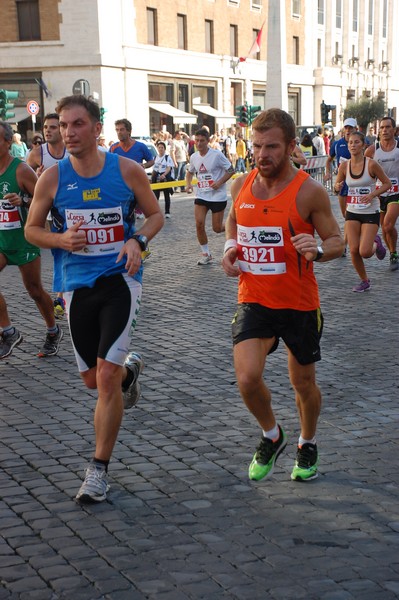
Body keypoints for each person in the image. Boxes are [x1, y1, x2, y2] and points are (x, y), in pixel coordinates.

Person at [25, 95, 164, 503]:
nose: (68, 132)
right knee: (93, 379)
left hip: (121, 280)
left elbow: (154, 215)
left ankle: (97, 470)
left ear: (96, 128)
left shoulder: (127, 171)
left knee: (104, 379)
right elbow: (33, 230)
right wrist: (59, 239)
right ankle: (128, 370)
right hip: (74, 284)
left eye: (77, 124)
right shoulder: (52, 179)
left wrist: (138, 240)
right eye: (63, 125)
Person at [222, 108, 344, 483]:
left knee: (302, 383)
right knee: (246, 378)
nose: (263, 154)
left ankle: (307, 442)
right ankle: (272, 434)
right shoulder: (240, 185)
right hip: (254, 298)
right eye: (257, 146)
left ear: (291, 146)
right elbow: (234, 220)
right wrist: (230, 246)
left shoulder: (309, 191)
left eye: (272, 146)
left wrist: (318, 250)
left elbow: (337, 241)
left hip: (298, 303)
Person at [0, 121, 63, 360]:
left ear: (7, 143)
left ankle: (53, 330)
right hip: (1, 239)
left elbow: (44, 198)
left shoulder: (20, 170)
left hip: (24, 238)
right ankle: (9, 331)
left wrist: (22, 201)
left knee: (34, 290)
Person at [334, 131, 391, 292]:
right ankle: (364, 280)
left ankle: (376, 243)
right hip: (352, 210)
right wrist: (337, 187)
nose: (353, 145)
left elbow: (386, 183)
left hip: (370, 211)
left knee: (364, 251)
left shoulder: (371, 164)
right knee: (353, 249)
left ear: (363, 145)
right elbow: (337, 186)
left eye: (356, 142)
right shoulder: (344, 166)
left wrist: (372, 194)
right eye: (350, 142)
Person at [27, 112, 70, 318]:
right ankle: (61, 296)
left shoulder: (72, 150)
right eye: (46, 127)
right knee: (59, 254)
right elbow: (26, 186)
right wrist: (37, 178)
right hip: (53, 215)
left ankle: (66, 294)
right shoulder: (37, 153)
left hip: (74, 209)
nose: (48, 131)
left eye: (53, 127)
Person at [185, 127, 234, 265]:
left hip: (217, 196)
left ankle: (232, 225)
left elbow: (231, 170)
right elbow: (189, 172)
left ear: (208, 141)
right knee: (199, 224)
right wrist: (188, 184)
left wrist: (219, 182)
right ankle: (206, 254)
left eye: (202, 141)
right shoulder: (194, 157)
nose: (199, 143)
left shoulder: (217, 155)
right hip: (202, 195)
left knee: (217, 228)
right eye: (197, 140)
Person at [365, 116, 399, 271]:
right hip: (379, 193)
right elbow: (363, 169)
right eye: (382, 128)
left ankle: (393, 254)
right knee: (384, 228)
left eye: (388, 127)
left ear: (394, 130)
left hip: (396, 191)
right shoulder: (373, 149)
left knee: (387, 224)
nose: (384, 130)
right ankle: (393, 253)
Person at [110, 119, 155, 219]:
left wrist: (143, 166)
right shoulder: (113, 148)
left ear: (129, 131)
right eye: (117, 130)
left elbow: (151, 161)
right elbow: (108, 166)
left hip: (136, 185)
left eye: (121, 130)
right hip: (120, 185)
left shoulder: (140, 146)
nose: (119, 132)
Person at [152, 141, 175, 217]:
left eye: (162, 147)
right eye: (159, 147)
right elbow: (154, 169)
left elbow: (169, 168)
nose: (160, 149)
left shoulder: (167, 157)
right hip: (157, 178)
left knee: (166, 195)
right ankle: (156, 211)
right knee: (155, 196)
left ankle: (167, 212)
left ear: (164, 149)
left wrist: (164, 175)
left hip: (165, 178)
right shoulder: (155, 157)